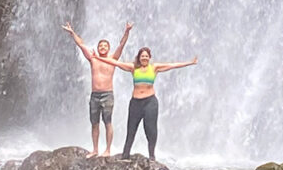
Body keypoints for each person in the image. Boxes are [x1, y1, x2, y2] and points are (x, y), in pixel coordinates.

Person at [94, 46, 197, 161]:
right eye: (142, 56)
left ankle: (152, 156)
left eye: (146, 56)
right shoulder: (133, 68)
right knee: (131, 129)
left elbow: (172, 65)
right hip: (135, 103)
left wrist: (190, 63)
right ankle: (125, 155)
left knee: (151, 130)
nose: (144, 58)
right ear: (139, 57)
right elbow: (115, 63)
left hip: (150, 102)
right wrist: (98, 58)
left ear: (149, 58)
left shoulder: (154, 68)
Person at [62, 21, 133, 157]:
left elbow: (121, 45)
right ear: (98, 48)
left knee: (108, 122)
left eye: (105, 45)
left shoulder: (113, 58)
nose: (103, 47)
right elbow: (81, 44)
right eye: (101, 45)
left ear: (108, 48)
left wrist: (127, 31)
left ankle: (107, 150)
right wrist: (72, 33)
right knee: (94, 123)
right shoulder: (93, 59)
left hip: (107, 95)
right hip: (95, 95)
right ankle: (95, 149)